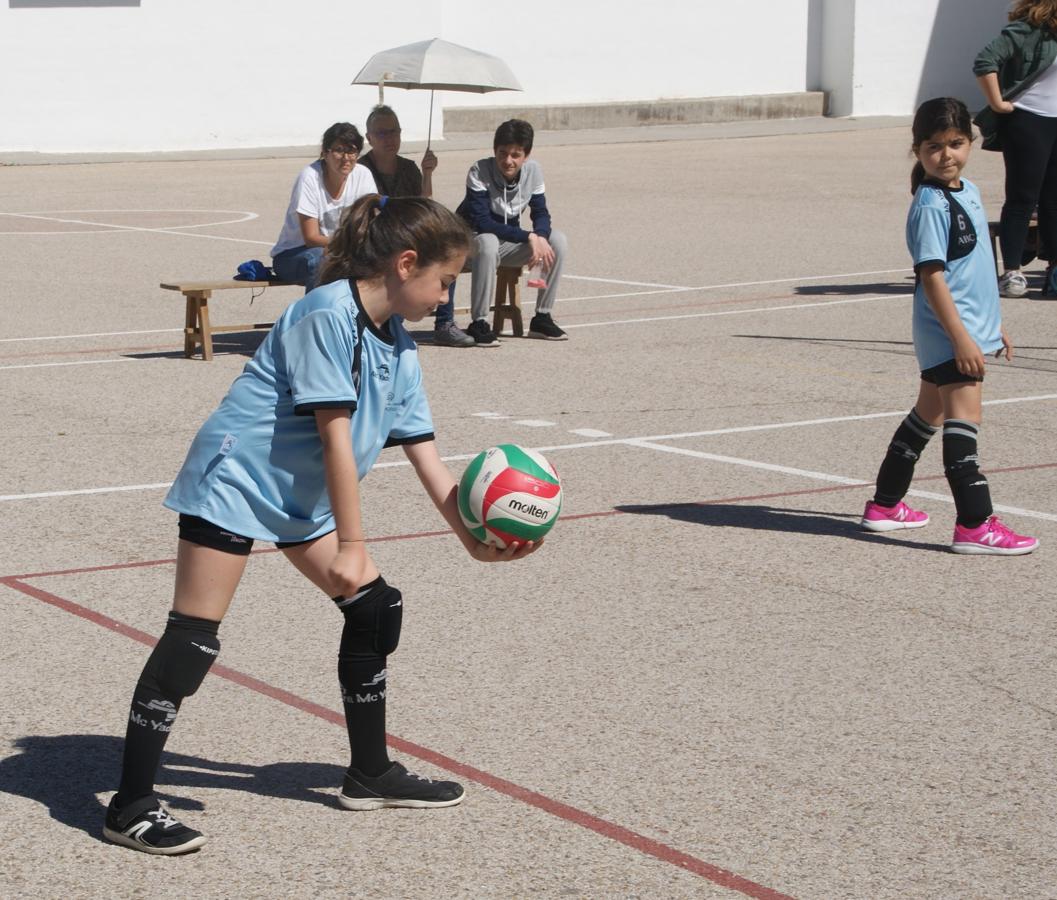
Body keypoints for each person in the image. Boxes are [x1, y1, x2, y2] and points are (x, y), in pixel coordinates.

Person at [103, 194, 542, 855]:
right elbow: (335, 436)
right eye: (445, 280)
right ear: (404, 263)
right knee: (192, 641)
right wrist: (352, 544)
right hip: (237, 479)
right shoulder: (325, 316)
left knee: (374, 608)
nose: (447, 294)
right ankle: (129, 804)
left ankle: (370, 774)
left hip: (298, 496)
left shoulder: (400, 347)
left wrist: (474, 539)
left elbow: (429, 459)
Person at [859, 97, 1038, 555]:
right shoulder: (931, 204)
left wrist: (991, 326)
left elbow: (974, 268)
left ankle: (884, 506)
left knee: (927, 416)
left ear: (970, 142)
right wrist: (962, 337)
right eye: (934, 146)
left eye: (956, 143)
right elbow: (932, 276)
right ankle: (975, 525)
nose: (946, 155)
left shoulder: (968, 190)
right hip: (947, 331)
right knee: (964, 421)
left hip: (965, 328)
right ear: (917, 150)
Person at [359, 104, 474, 348]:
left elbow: (423, 206)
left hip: (406, 237)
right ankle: (389, 320)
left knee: (445, 252)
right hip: (376, 239)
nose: (390, 138)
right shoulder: (362, 170)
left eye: (394, 131)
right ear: (369, 138)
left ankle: (444, 323)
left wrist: (427, 172)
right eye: (382, 133)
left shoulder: (409, 168)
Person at [456, 119, 569, 345]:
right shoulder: (479, 171)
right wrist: (529, 237)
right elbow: (483, 223)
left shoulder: (533, 171)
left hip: (505, 244)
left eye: (516, 155)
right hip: (470, 247)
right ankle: (479, 322)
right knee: (488, 242)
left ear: (526, 155)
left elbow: (541, 213)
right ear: (494, 151)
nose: (508, 161)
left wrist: (540, 237)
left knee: (556, 239)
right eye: (502, 153)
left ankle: (542, 317)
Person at [974, 1, 1057, 297]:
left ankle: (1054, 269)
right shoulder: (1028, 31)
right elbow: (985, 61)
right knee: (1023, 198)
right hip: (1028, 120)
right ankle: (1012, 271)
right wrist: (997, 103)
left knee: (1053, 200)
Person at [270, 123, 377, 292]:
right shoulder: (309, 177)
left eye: (352, 150)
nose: (346, 157)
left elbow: (371, 223)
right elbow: (311, 238)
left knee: (386, 261)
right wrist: (348, 244)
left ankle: (378, 318)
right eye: (339, 150)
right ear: (325, 153)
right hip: (293, 255)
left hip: (341, 250)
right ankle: (316, 315)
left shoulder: (363, 175)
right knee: (320, 260)